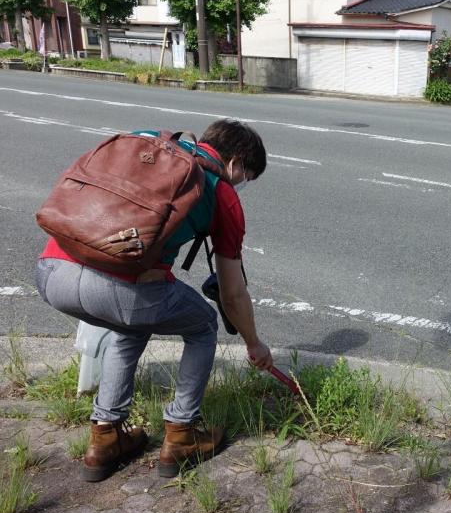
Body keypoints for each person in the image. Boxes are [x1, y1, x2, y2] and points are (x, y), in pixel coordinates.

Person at [34, 119, 272, 480]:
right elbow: (232, 293)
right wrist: (254, 344)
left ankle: (105, 436)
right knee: (203, 325)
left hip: (52, 272)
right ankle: (182, 434)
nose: (239, 184)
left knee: (133, 324)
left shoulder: (143, 139)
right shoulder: (221, 192)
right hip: (120, 290)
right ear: (236, 163)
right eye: (245, 177)